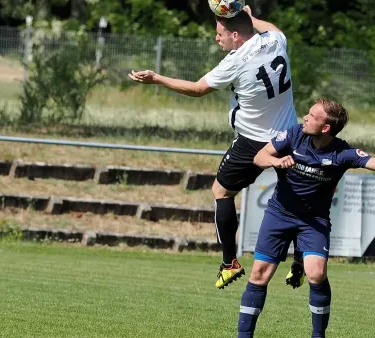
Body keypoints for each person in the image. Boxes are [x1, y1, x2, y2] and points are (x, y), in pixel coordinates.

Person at [128, 6, 300, 289]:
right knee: (296, 198)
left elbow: (197, 89)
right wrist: (249, 15)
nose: (216, 38)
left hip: (254, 141)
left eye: (220, 34)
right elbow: (272, 29)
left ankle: (229, 262)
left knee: (222, 192)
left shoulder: (235, 61)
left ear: (235, 35)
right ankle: (300, 261)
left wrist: (156, 78)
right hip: (289, 136)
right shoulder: (274, 41)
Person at [236, 98, 375, 337]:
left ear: (325, 127)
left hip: (313, 221)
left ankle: (318, 335)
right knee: (259, 274)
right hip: (279, 214)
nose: (305, 118)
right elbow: (260, 156)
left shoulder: (341, 152)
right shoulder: (295, 134)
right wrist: (277, 160)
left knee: (316, 273)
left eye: (311, 116)